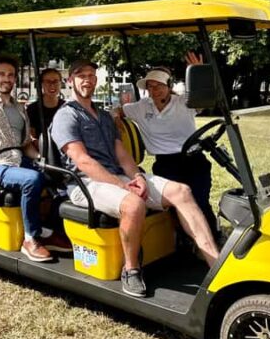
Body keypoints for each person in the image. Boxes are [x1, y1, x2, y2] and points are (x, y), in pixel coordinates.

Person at [51, 59, 220, 298]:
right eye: (81, 75)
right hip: (84, 182)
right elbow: (82, 161)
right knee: (133, 204)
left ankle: (215, 264)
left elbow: (121, 153)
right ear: (70, 81)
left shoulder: (104, 116)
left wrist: (137, 176)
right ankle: (130, 269)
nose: (87, 79)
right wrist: (122, 185)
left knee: (181, 191)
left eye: (91, 74)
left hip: (115, 177)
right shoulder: (66, 116)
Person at [0, 54, 71, 262]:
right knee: (31, 180)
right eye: (2, 74)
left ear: (15, 78)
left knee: (56, 174)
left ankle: (50, 230)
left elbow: (25, 144)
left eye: (11, 75)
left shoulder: (19, 107)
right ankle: (30, 239)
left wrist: (42, 159)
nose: (7, 78)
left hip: (20, 159)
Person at [117, 53, 218, 239]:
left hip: (193, 160)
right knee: (173, 204)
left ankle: (212, 239)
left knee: (200, 202)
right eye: (151, 86)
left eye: (160, 86)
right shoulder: (141, 107)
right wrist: (115, 116)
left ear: (169, 86)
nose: (155, 90)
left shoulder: (185, 102)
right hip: (165, 164)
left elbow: (204, 98)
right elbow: (116, 111)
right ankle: (183, 241)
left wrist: (200, 73)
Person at [26, 68, 65, 144]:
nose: (52, 85)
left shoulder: (66, 107)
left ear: (60, 83)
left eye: (55, 81)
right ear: (42, 84)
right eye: (48, 82)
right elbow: (31, 136)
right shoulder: (32, 109)